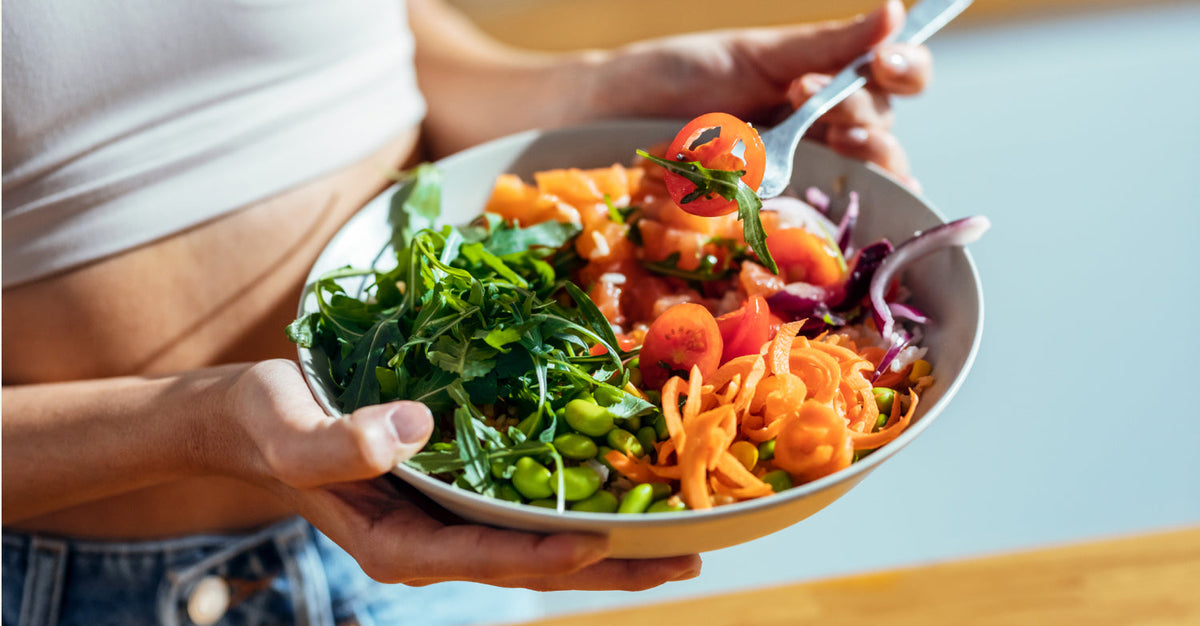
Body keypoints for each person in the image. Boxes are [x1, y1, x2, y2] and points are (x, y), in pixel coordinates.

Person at [1, 0, 933, 623]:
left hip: (443, 553)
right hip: (77, 593)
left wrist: (588, 94)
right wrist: (193, 426)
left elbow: (374, 50)